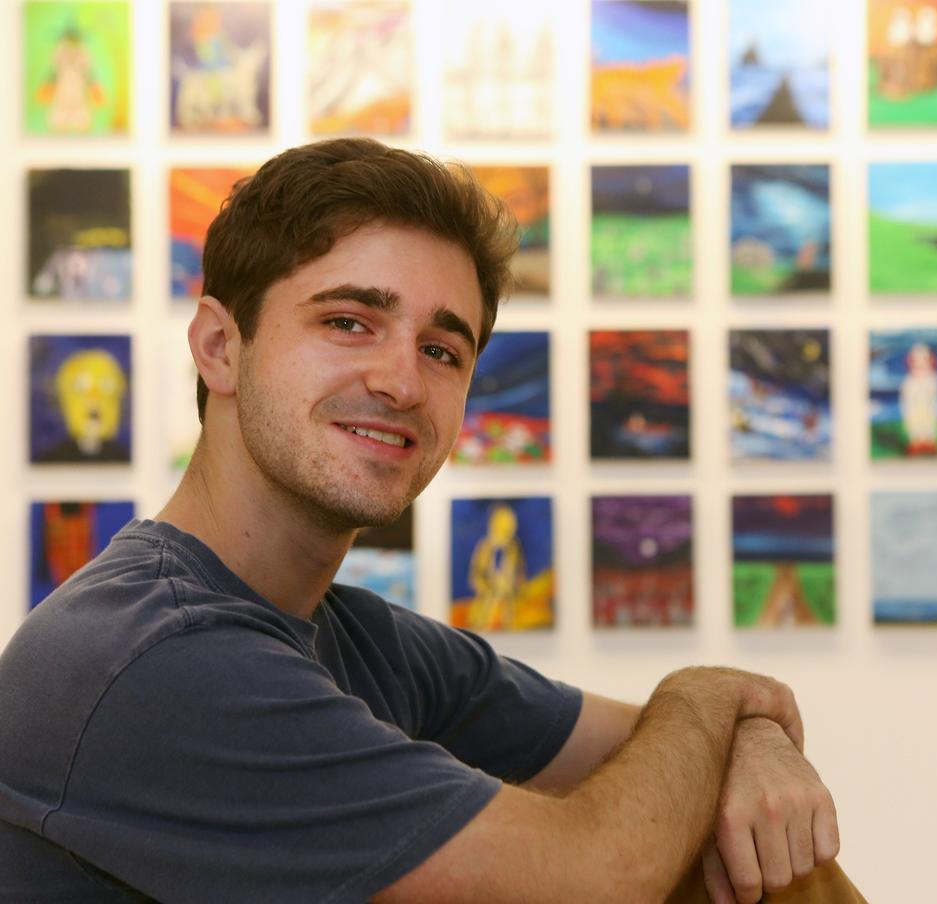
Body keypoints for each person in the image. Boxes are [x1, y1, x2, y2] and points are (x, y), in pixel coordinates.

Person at [0, 139, 865, 903]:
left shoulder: (360, 640)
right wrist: (711, 695)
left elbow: (657, 752)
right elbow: (601, 877)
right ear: (220, 347)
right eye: (348, 322)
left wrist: (744, 733)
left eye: (442, 350)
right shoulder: (154, 658)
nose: (402, 383)